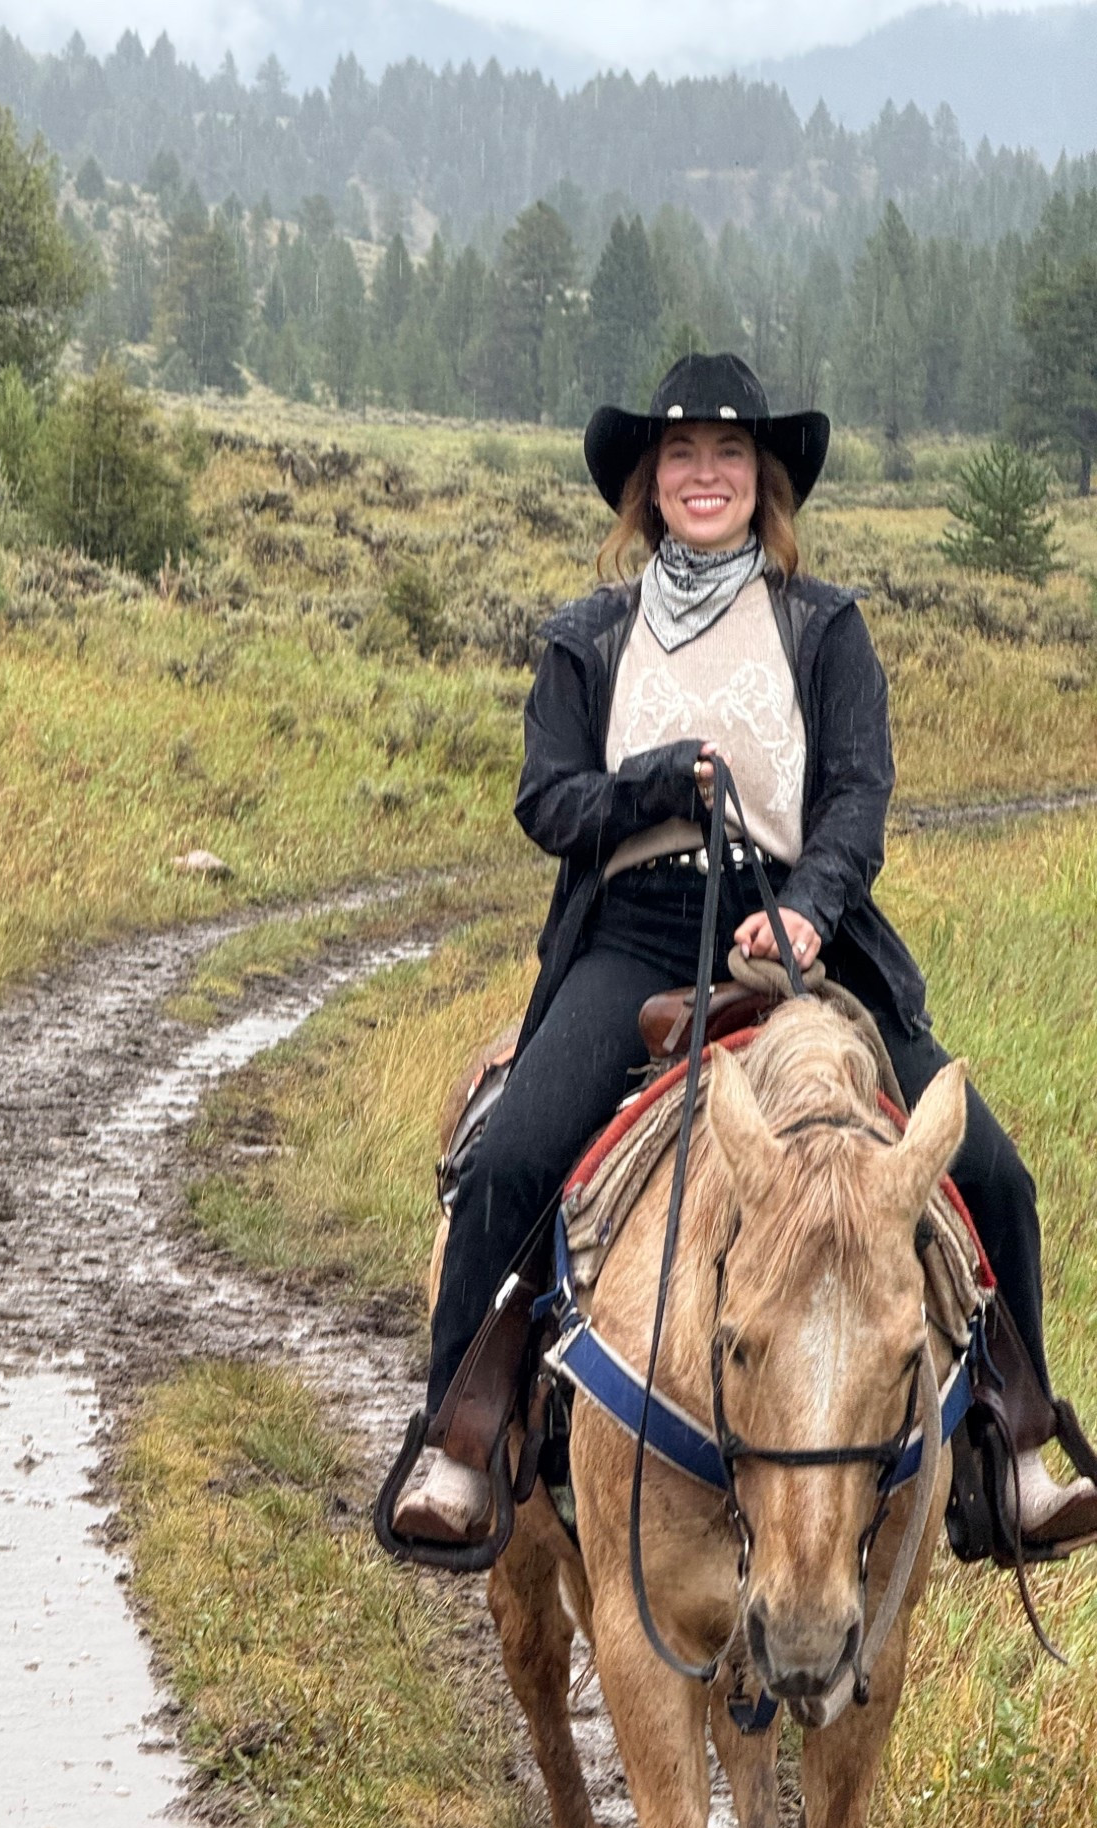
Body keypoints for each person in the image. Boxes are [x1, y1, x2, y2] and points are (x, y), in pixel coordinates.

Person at [393, 351, 1097, 1559]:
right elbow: (545, 801)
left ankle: (1016, 1447)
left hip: (799, 939)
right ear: (649, 481)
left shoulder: (824, 627)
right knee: (510, 1158)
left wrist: (813, 907)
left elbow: (859, 798)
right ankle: (463, 1442)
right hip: (636, 937)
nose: (705, 474)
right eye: (682, 454)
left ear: (762, 478)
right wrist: (657, 784)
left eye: (729, 453)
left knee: (997, 1173)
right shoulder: (587, 636)